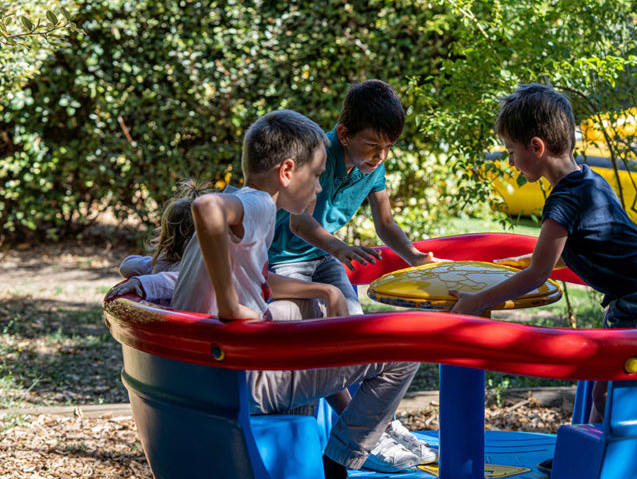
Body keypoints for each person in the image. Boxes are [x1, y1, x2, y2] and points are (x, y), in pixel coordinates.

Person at [168, 110, 420, 478]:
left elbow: (259, 278)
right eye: (316, 176)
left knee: (307, 313)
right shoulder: (257, 205)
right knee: (404, 353)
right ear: (286, 172)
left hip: (200, 377)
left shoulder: (246, 200)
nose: (320, 188)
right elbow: (205, 208)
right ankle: (339, 463)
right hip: (238, 381)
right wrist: (229, 306)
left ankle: (315, 451)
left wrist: (325, 290)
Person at [449, 83, 637, 475]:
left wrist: (475, 302)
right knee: (602, 385)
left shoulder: (563, 200)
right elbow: (570, 253)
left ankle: (615, 464)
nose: (510, 160)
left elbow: (538, 273)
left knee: (616, 391)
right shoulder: (587, 181)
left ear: (536, 148)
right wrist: (517, 263)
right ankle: (588, 458)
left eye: (511, 150)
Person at [266, 79, 439, 470]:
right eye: (374, 145)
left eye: (388, 147)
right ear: (344, 134)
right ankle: (368, 435)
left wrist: (414, 255)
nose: (381, 155)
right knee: (336, 349)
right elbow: (299, 223)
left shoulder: (372, 165)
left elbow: (386, 223)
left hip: (324, 257)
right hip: (285, 261)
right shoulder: (316, 153)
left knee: (356, 340)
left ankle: (376, 427)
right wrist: (340, 248)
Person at [108, 179, 209, 304]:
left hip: (177, 321)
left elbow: (177, 281)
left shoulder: (195, 269)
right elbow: (127, 267)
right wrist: (152, 264)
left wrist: (141, 281)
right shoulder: (162, 262)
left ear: (166, 234)